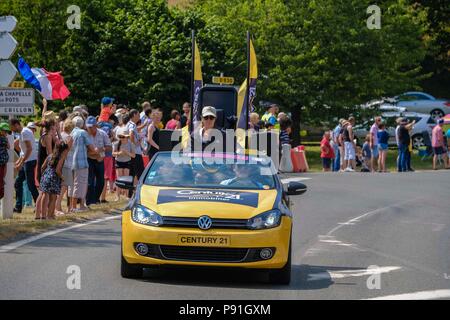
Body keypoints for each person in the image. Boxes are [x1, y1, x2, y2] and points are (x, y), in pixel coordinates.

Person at [68, 116, 97, 212]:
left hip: (71, 161)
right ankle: (76, 207)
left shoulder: (71, 133)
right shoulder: (82, 133)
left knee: (72, 185)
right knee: (81, 184)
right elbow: (91, 148)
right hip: (81, 162)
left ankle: (74, 206)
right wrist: (97, 151)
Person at [10, 120, 39, 213]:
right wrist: (18, 162)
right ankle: (18, 207)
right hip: (27, 160)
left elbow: (29, 149)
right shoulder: (24, 132)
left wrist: (21, 162)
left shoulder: (24, 132)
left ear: (16, 125)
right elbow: (24, 151)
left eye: (12, 127)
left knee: (31, 185)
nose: (12, 130)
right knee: (18, 183)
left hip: (29, 161)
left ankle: (39, 206)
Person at [39, 142, 70, 220]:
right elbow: (58, 170)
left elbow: (42, 167)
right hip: (54, 178)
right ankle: (50, 216)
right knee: (53, 198)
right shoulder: (61, 158)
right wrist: (62, 177)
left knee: (45, 195)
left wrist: (43, 175)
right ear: (63, 151)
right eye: (66, 150)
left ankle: (43, 215)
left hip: (45, 177)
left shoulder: (50, 156)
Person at [86, 116, 112, 206]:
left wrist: (101, 149)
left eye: (91, 126)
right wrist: (94, 153)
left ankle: (96, 199)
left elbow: (109, 146)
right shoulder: (85, 134)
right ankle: (89, 201)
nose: (89, 128)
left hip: (100, 160)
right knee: (90, 182)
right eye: (88, 126)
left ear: (95, 125)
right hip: (89, 160)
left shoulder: (102, 133)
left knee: (101, 182)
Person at [55, 119, 74, 216]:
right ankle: (57, 207)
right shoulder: (69, 138)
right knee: (64, 186)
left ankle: (58, 206)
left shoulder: (59, 135)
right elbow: (66, 152)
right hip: (66, 163)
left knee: (60, 185)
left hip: (58, 163)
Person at [112, 127, 135, 201]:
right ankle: (117, 196)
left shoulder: (130, 144)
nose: (122, 138)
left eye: (123, 137)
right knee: (119, 179)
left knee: (126, 179)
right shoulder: (116, 143)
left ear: (127, 137)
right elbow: (113, 154)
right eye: (121, 137)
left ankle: (127, 196)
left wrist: (126, 152)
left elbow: (133, 155)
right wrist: (119, 153)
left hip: (127, 162)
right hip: (119, 162)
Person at [127, 110, 145, 193]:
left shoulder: (131, 124)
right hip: (136, 153)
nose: (139, 116)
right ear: (134, 115)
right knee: (140, 172)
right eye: (138, 114)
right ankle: (141, 190)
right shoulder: (132, 125)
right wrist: (134, 144)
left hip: (134, 152)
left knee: (133, 172)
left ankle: (130, 192)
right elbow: (131, 134)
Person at [0, 122, 10, 200]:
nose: (6, 133)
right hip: (3, 159)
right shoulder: (4, 139)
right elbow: (9, 147)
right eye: (5, 131)